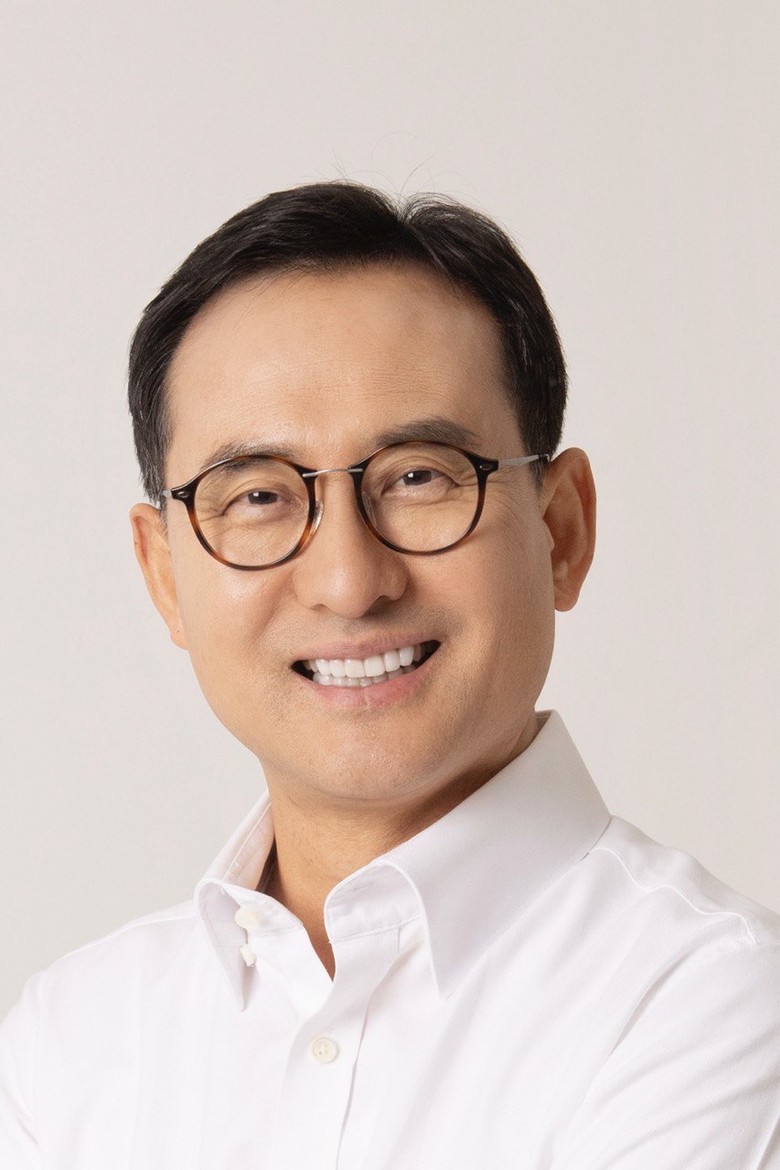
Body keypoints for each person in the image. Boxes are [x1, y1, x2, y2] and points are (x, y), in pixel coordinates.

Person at [1, 182, 778, 1169]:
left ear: (562, 530)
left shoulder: (714, 1005)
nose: (348, 581)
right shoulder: (68, 1043)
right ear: (165, 576)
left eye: (418, 476)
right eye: (259, 496)